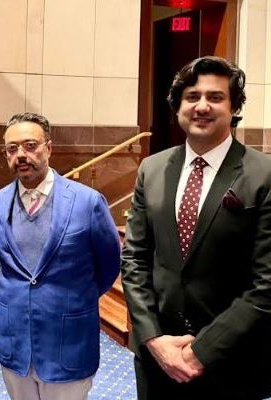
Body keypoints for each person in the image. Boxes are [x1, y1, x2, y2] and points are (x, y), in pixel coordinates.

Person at [121, 56, 271, 399]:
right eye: (192, 97)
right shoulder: (152, 169)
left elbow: (266, 283)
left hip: (233, 361)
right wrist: (153, 338)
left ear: (234, 107)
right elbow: (134, 260)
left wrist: (199, 352)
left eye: (215, 97)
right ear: (178, 107)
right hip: (158, 359)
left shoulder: (264, 174)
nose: (202, 106)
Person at [0, 112, 120, 400]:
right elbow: (3, 263)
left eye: (30, 145)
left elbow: (109, 265)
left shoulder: (88, 202)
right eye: (12, 149)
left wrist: (71, 298)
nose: (21, 155)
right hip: (15, 342)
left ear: (48, 148)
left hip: (69, 341)